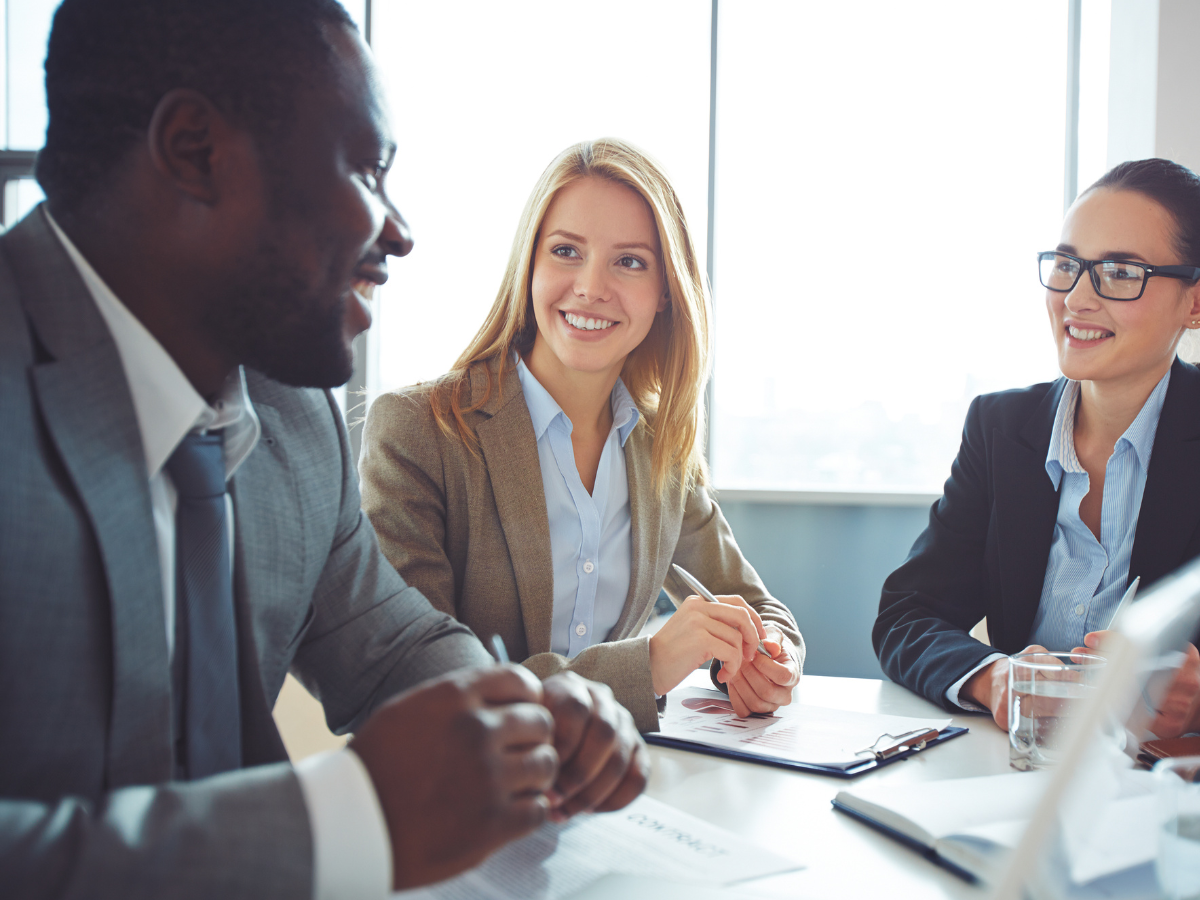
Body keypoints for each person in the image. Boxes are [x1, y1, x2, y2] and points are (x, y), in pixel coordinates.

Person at [0, 2, 647, 898]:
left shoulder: (296, 413)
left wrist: (524, 719)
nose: (399, 233)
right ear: (194, 151)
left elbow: (389, 647)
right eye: (366, 170)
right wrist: (340, 824)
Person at [359, 138, 803, 733]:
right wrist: (647, 665)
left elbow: (759, 607)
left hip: (619, 787)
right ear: (530, 265)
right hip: (467, 799)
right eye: (566, 251)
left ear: (665, 292)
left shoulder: (659, 446)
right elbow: (422, 684)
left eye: (630, 261)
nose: (591, 287)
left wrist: (769, 656)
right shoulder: (418, 432)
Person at [874, 158, 1200, 737]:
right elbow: (908, 614)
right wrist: (993, 678)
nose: (1077, 297)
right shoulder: (1001, 427)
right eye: (1070, 264)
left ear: (1194, 303)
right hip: (1016, 777)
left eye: (1122, 271)